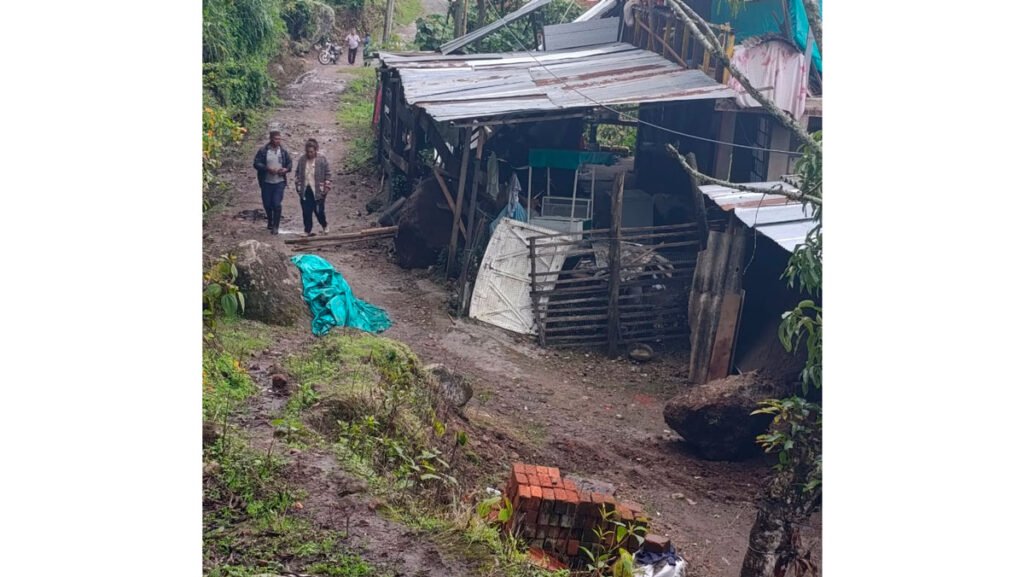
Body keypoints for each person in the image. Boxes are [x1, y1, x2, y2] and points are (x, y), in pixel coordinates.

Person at [252, 130, 292, 235]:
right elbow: (256, 163)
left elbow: (289, 164)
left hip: (279, 181)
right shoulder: (263, 151)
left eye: (279, 139)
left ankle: (276, 226)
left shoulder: (283, 151)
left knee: (276, 204)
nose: (278, 141)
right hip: (266, 181)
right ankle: (270, 220)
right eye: (276, 139)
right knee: (267, 204)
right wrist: (267, 169)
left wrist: (285, 170)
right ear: (271, 139)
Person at [294, 138, 332, 236]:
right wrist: (298, 185)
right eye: (307, 151)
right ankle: (307, 230)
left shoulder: (322, 160)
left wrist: (326, 186)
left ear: (316, 150)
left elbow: (328, 173)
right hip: (306, 189)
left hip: (318, 190)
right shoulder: (302, 160)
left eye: (311, 151)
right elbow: (298, 173)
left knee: (319, 211)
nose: (309, 154)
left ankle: (324, 225)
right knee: (306, 211)